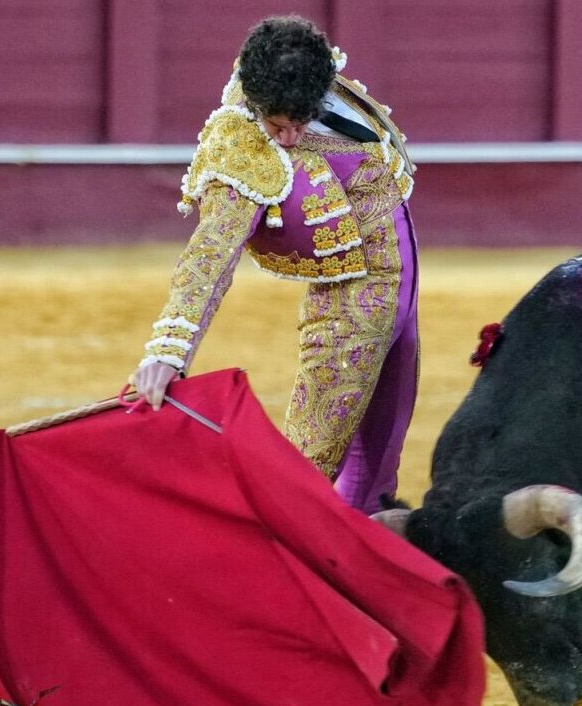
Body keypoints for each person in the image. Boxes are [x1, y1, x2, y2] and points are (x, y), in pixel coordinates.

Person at [132, 15, 419, 514]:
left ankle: (363, 552)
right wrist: (169, 350)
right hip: (350, 308)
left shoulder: (322, 85)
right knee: (306, 471)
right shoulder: (241, 143)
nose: (288, 138)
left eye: (299, 124)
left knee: (380, 454)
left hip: (400, 295)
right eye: (277, 125)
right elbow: (211, 252)